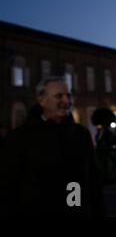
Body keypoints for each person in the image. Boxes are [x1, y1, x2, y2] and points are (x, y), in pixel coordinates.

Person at [0, 76, 104, 216]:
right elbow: (8, 187)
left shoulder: (81, 135)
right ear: (41, 100)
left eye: (68, 95)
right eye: (59, 96)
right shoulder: (20, 138)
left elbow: (93, 181)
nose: (66, 101)